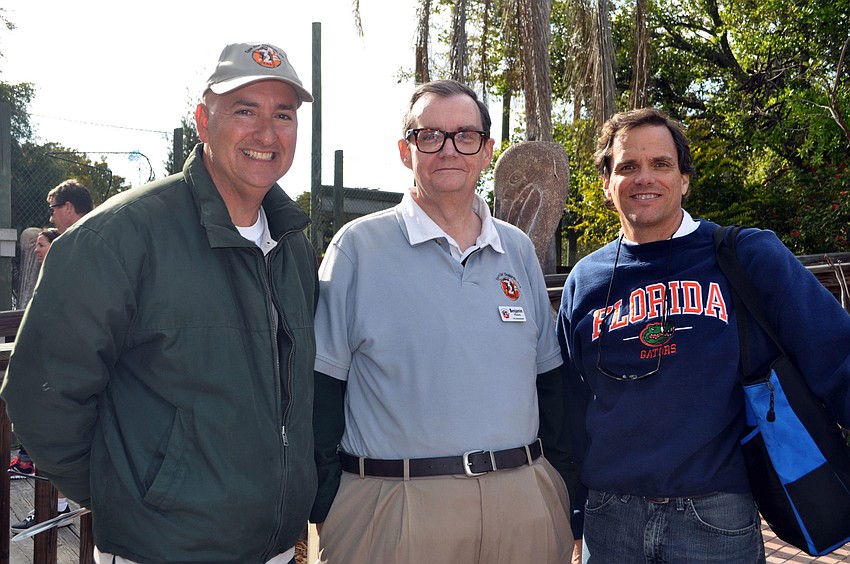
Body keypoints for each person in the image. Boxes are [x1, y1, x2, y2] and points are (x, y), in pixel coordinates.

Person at [2, 42, 318, 563]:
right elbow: (42, 396)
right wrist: (132, 495)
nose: (266, 133)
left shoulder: (293, 246)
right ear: (201, 120)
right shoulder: (118, 236)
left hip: (276, 549)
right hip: (160, 550)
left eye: (283, 114)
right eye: (245, 110)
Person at [557, 107, 850, 563]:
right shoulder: (585, 280)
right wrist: (575, 511)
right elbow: (571, 406)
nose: (644, 178)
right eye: (627, 166)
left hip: (715, 516)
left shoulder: (745, 255)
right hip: (610, 517)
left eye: (661, 164)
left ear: (685, 179)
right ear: (606, 183)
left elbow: (837, 358)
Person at [310, 79, 575, 563]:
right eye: (429, 135)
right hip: (396, 503)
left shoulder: (517, 249)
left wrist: (559, 487)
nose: (448, 149)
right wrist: (328, 500)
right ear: (404, 149)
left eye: (465, 135)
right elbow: (321, 388)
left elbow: (549, 381)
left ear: (487, 150)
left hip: (523, 505)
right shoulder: (357, 247)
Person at [7, 228, 60, 482]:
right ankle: (27, 460)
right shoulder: (44, 273)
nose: (36, 250)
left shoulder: (62, 274)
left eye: (41, 244)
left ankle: (30, 464)